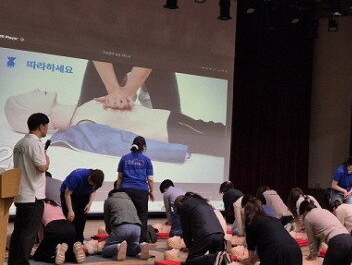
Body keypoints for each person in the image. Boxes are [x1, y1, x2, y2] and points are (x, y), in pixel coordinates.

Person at [5, 89, 226, 157]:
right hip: (171, 130)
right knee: (218, 136)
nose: (35, 90)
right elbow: (124, 142)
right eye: (27, 96)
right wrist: (177, 152)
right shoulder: (83, 125)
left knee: (216, 131)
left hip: (170, 121)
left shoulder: (84, 112)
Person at [241, 195, 316, 265]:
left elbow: (252, 248)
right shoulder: (273, 219)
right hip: (295, 250)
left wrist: (249, 261)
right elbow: (268, 243)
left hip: (279, 253)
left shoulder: (251, 222)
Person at [7, 113, 50, 265]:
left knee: (19, 232)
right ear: (41, 126)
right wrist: (47, 159)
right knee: (28, 233)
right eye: (46, 125)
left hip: (21, 194)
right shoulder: (34, 143)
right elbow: (41, 167)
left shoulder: (20, 143)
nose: (47, 128)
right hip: (33, 195)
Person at [78, 61, 181, 112]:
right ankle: (126, 82)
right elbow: (95, 41)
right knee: (84, 117)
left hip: (154, 53)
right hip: (109, 49)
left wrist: (127, 94)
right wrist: (114, 91)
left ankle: (143, 85)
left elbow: (155, 47)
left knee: (176, 129)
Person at [175, 192, 230, 265]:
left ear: (179, 204)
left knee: (191, 261)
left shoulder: (184, 206)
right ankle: (219, 256)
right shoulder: (203, 202)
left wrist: (189, 247)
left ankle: (215, 257)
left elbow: (186, 230)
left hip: (206, 235)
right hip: (220, 234)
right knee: (214, 257)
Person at [116, 136, 154, 243]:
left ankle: (124, 241)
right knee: (142, 216)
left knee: (125, 216)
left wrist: (117, 190)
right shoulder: (146, 160)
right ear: (144, 147)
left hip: (126, 190)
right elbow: (150, 179)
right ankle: (140, 242)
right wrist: (151, 191)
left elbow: (120, 177)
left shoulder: (124, 158)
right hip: (141, 191)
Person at [33, 199, 86, 265]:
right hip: (69, 227)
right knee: (65, 249)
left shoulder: (39, 206)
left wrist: (42, 243)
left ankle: (55, 254)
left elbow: (40, 229)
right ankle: (73, 256)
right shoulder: (55, 204)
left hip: (53, 227)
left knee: (39, 255)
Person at [102, 190, 149, 261]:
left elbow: (107, 219)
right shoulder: (130, 201)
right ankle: (141, 246)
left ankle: (118, 247)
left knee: (105, 250)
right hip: (137, 227)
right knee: (131, 250)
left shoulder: (109, 200)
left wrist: (110, 233)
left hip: (121, 226)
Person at [60, 168, 105, 242]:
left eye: (94, 184)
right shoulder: (77, 177)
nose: (92, 185)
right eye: (91, 182)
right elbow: (67, 194)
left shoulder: (96, 181)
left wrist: (89, 203)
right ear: (89, 177)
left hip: (83, 194)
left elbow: (93, 191)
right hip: (70, 194)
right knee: (71, 218)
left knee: (81, 217)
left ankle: (79, 240)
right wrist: (70, 210)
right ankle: (68, 241)